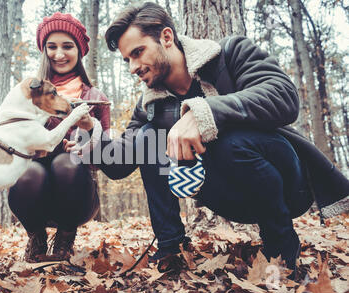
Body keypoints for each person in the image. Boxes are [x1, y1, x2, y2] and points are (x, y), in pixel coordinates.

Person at [68, 2, 349, 276]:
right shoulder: (150, 104)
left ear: (167, 37)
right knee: (148, 137)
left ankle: (281, 249)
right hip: (227, 196)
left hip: (287, 185)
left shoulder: (230, 54)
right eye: (128, 59)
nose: (133, 67)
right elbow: (123, 162)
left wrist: (203, 113)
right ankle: (171, 248)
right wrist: (92, 133)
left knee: (231, 141)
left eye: (138, 52)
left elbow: (283, 97)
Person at [8, 12, 110, 263]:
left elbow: (108, 154)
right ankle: (36, 238)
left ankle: (64, 241)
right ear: (44, 50)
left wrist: (86, 136)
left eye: (68, 46)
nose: (59, 54)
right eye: (51, 46)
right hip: (32, 191)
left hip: (77, 193)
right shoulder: (29, 93)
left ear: (79, 50)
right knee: (29, 171)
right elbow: (11, 141)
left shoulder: (94, 96)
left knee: (66, 163)